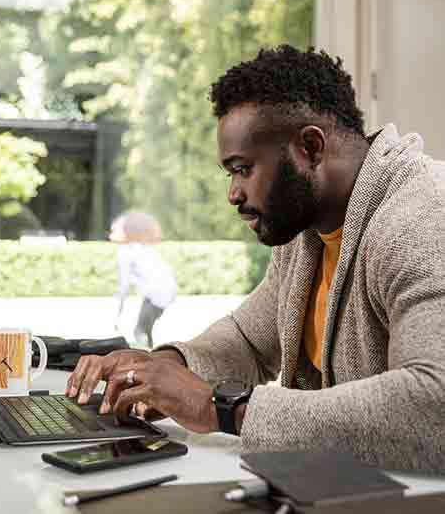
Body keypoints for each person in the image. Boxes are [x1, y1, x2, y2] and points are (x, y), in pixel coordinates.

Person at [66, 45, 445, 473]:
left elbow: (435, 404)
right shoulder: (307, 232)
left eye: (243, 169)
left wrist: (224, 409)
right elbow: (248, 339)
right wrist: (161, 369)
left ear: (310, 147)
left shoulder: (423, 217)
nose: (233, 194)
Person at [109, 212, 177, 348]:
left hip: (157, 294)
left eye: (114, 229)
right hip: (166, 292)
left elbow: (124, 286)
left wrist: (117, 316)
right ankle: (151, 354)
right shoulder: (142, 248)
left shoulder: (125, 252)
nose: (111, 232)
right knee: (145, 330)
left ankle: (147, 361)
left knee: (139, 332)